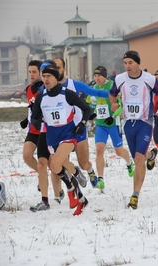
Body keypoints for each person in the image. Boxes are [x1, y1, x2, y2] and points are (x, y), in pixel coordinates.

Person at [31, 65, 91, 215]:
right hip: (52, 137)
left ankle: (70, 190)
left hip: (68, 135)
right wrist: (36, 122)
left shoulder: (67, 94)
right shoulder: (41, 96)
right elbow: (35, 116)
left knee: (54, 163)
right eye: (43, 76)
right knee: (55, 167)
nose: (45, 79)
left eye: (49, 76)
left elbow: (87, 109)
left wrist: (82, 124)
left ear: (56, 78)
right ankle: (81, 199)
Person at [109, 50, 158, 209]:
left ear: (137, 63)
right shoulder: (119, 79)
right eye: (125, 63)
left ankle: (135, 196)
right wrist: (114, 104)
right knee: (138, 157)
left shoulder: (149, 79)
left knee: (139, 161)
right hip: (128, 123)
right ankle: (151, 154)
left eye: (130, 63)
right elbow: (112, 94)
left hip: (145, 122)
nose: (127, 66)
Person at [53, 57, 109, 188]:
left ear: (64, 69)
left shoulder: (74, 85)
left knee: (84, 163)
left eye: (58, 67)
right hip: (61, 131)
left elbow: (96, 92)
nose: (56, 70)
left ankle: (90, 171)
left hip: (78, 128)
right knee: (61, 162)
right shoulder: (49, 88)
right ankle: (75, 173)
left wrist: (114, 94)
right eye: (53, 68)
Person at [91, 66, 134, 190]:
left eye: (99, 75)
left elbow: (121, 105)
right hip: (100, 124)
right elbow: (98, 104)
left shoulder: (112, 87)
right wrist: (94, 113)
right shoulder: (95, 88)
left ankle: (129, 163)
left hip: (113, 123)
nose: (97, 78)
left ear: (105, 76)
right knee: (99, 150)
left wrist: (113, 115)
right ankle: (100, 179)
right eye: (95, 75)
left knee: (119, 151)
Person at [20, 60, 43, 186]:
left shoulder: (44, 89)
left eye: (34, 72)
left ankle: (61, 187)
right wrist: (26, 119)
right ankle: (42, 173)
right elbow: (31, 107)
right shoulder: (29, 89)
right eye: (29, 72)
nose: (31, 75)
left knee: (51, 163)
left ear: (41, 72)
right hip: (33, 130)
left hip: (45, 129)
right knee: (27, 156)